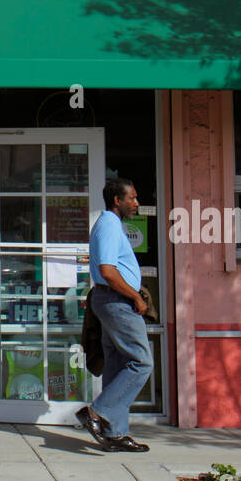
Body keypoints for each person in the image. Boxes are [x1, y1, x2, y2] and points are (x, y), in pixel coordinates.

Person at [77, 177, 153, 453]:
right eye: (131, 198)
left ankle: (116, 433)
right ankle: (97, 413)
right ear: (116, 201)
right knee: (141, 363)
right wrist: (134, 296)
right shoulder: (109, 224)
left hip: (111, 301)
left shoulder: (112, 225)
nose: (136, 203)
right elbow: (108, 271)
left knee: (117, 365)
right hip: (117, 302)